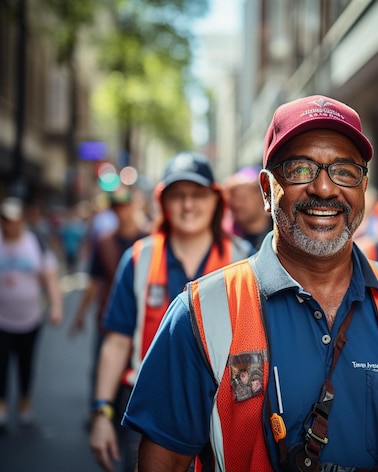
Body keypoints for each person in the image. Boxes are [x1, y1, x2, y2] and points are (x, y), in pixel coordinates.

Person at [122, 95, 378, 471]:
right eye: (301, 169)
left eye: (344, 170)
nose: (324, 189)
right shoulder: (203, 312)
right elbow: (165, 461)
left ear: (364, 186)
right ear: (266, 189)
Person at [89, 152, 254, 472]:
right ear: (163, 201)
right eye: (178, 196)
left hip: (222, 413)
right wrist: (101, 413)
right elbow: (117, 342)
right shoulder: (139, 258)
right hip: (146, 412)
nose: (188, 205)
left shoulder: (243, 257)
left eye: (197, 195)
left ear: (215, 200)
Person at [70, 186, 149, 400]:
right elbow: (94, 281)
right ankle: (100, 410)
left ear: (134, 205)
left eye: (125, 205)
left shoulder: (150, 241)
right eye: (116, 207)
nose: (121, 211)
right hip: (109, 314)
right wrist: (80, 314)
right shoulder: (104, 241)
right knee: (102, 365)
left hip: (144, 317)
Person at [0, 197, 63, 429]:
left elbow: (50, 279)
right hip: (2, 319)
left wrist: (56, 306)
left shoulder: (35, 242)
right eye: (5, 221)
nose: (10, 226)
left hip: (30, 317)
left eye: (14, 221)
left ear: (22, 221)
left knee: (26, 362)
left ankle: (25, 400)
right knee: (2, 363)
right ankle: (3, 405)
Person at [224, 165, 273, 250]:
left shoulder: (281, 235)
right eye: (233, 198)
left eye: (243, 198)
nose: (237, 204)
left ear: (262, 196)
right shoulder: (228, 238)